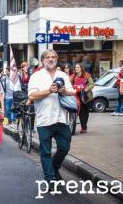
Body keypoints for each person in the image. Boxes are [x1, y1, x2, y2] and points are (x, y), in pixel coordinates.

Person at [27, 50, 76, 186]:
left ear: (57, 59)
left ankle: (54, 168)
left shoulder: (63, 75)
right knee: (46, 151)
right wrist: (49, 90)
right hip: (44, 119)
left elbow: (72, 92)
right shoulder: (36, 76)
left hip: (61, 118)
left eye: (53, 57)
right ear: (43, 60)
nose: (50, 59)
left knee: (64, 148)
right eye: (47, 57)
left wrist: (63, 91)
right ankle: (50, 179)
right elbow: (32, 96)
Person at [70, 64, 94, 134]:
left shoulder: (87, 75)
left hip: (86, 96)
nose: (76, 68)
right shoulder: (73, 76)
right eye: (75, 67)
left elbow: (92, 84)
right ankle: (83, 128)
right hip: (77, 95)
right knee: (81, 112)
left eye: (78, 67)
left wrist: (86, 89)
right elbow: (70, 84)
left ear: (81, 68)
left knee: (86, 112)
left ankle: (84, 126)